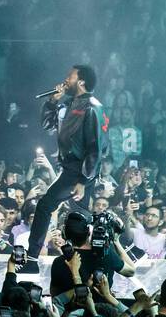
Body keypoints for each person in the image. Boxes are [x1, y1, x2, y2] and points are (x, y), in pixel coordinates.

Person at [24, 65, 107, 266]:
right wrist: (53, 101)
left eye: (70, 76)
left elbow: (96, 147)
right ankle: (92, 257)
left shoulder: (92, 107)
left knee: (45, 206)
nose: (65, 79)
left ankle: (33, 257)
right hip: (69, 168)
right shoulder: (67, 104)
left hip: (78, 170)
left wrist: (84, 180)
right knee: (79, 217)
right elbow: (46, 125)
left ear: (81, 81)